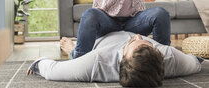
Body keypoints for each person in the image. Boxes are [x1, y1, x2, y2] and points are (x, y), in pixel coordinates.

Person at [27, 31, 203, 87]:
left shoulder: (95, 62)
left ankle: (74, 50)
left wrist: (38, 63)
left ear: (122, 60)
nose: (140, 36)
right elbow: (196, 62)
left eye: (135, 41)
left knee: (77, 55)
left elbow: (52, 71)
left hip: (102, 38)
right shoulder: (171, 57)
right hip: (121, 23)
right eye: (148, 42)